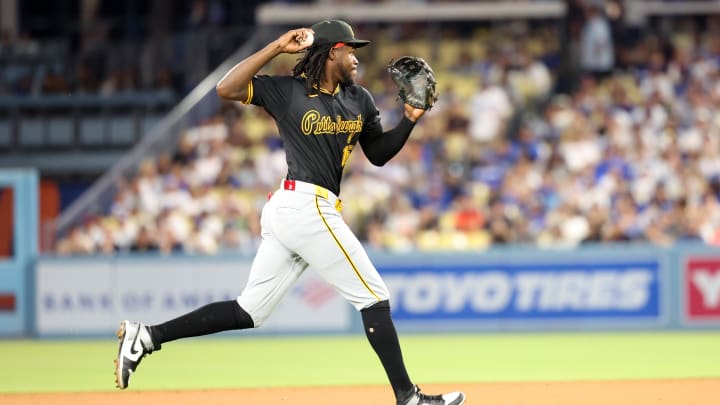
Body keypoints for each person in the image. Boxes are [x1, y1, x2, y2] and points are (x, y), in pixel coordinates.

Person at [114, 19, 466, 405]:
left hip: (301, 209)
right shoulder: (288, 91)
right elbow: (226, 88)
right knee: (374, 297)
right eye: (351, 49)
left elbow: (379, 154)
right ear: (332, 51)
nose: (355, 57)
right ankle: (408, 397)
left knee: (250, 311)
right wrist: (276, 48)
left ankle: (147, 336)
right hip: (303, 205)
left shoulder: (359, 99)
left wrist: (410, 121)